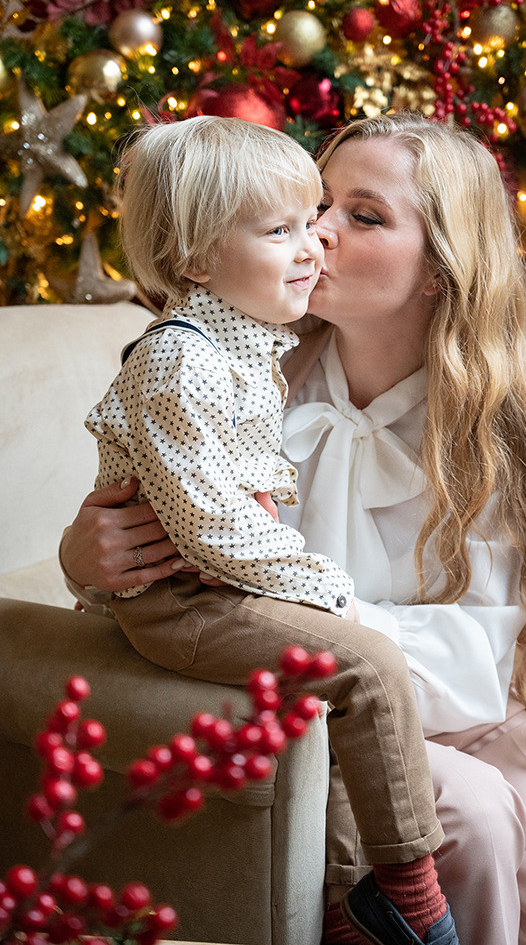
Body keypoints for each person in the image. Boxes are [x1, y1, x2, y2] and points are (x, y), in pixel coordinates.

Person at [61, 113, 526, 945]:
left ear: (440, 267)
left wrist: (336, 620)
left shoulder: (492, 427)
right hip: (327, 718)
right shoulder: (227, 369)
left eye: (364, 216)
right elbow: (170, 549)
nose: (317, 233)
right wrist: (85, 560)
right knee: (475, 818)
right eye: (316, 206)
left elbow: (485, 663)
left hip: (472, 715)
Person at [79, 114, 458, 945]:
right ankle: (413, 898)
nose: (312, 246)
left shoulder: (248, 345)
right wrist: (324, 589)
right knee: (367, 665)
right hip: (183, 600)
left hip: (221, 585)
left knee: (335, 694)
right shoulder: (180, 360)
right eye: (280, 231)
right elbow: (209, 525)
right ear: (195, 260)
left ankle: (348, 905)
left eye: (309, 220)